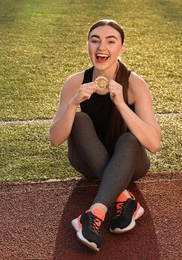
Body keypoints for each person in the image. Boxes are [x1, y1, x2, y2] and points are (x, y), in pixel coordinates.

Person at [49, 19, 161, 252]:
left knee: (129, 139)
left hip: (131, 164)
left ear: (121, 49)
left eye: (111, 41)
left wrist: (121, 104)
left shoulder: (134, 84)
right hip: (87, 162)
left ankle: (94, 213)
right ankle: (123, 198)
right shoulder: (75, 82)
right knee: (79, 119)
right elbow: (55, 139)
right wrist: (73, 103)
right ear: (88, 45)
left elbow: (153, 143)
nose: (102, 47)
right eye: (95, 40)